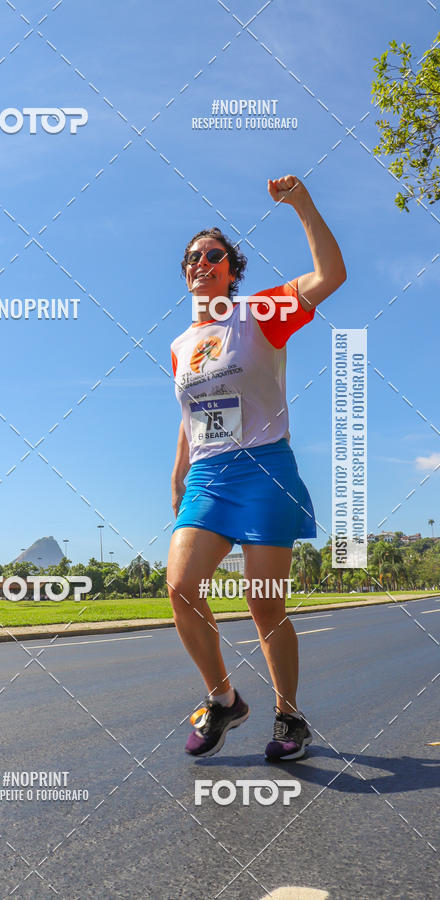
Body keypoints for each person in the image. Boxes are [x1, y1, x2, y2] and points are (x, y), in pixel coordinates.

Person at [167, 174, 346, 760]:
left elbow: (330, 277)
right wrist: (178, 475)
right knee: (180, 586)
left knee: (264, 601)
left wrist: (303, 204)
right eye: (193, 256)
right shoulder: (181, 343)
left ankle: (289, 717)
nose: (201, 263)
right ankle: (224, 700)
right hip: (209, 477)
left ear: (231, 268)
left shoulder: (258, 312)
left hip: (266, 469)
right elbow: (192, 412)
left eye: (213, 255)